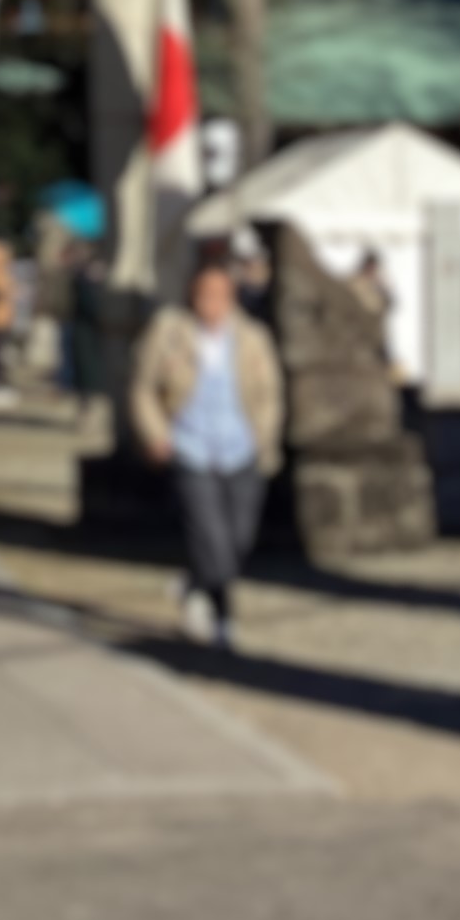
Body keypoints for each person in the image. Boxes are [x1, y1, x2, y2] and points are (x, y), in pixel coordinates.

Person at [129, 248, 285, 649]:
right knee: (210, 535)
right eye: (204, 295)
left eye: (219, 296)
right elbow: (143, 388)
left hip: (241, 447)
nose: (211, 305)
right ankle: (222, 613)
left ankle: (196, 584)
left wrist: (262, 435)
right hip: (191, 446)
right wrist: (156, 435)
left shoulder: (252, 338)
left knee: (238, 538)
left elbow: (269, 394)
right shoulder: (170, 332)